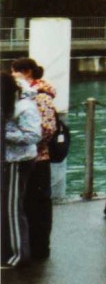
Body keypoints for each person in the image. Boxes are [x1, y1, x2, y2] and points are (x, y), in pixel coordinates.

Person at [11, 58, 56, 260]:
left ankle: (38, 248)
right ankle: (29, 247)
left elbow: (46, 129)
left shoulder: (40, 97)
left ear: (26, 72)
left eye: (14, 72)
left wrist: (30, 143)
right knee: (29, 204)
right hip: (31, 157)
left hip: (38, 158)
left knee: (36, 204)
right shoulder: (29, 95)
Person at [3, 72, 41, 268]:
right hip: (9, 160)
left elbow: (34, 135)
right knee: (7, 208)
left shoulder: (24, 107)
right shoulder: (12, 104)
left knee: (12, 209)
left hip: (17, 161)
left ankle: (18, 255)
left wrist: (5, 133)